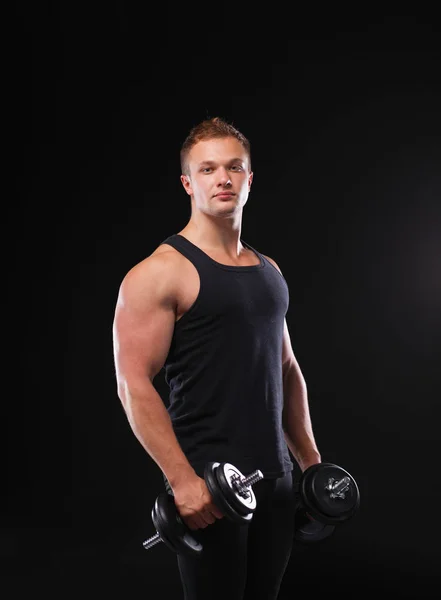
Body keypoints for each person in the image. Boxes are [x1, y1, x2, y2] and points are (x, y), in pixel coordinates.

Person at [112, 117, 322, 599]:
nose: (223, 178)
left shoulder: (270, 271)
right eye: (208, 169)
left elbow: (286, 369)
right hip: (210, 486)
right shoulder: (158, 273)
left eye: (234, 168)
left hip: (277, 482)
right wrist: (182, 481)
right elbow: (133, 382)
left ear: (250, 178)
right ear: (188, 183)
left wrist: (308, 462)